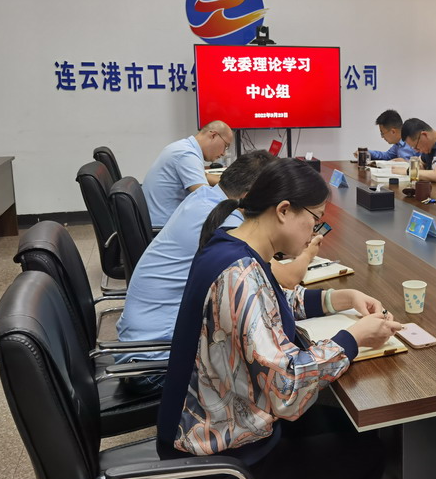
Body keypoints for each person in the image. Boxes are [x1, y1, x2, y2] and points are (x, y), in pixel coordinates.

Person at [157, 157, 402, 479]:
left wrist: (340, 298)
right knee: (368, 454)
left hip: (220, 429)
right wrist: (354, 338)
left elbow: (271, 301)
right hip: (221, 467)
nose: (316, 233)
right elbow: (286, 390)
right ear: (284, 210)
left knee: (349, 428)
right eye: (315, 220)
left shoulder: (231, 245)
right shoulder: (239, 275)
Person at [116, 151, 322, 390]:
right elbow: (287, 279)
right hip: (156, 361)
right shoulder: (228, 230)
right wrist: (308, 252)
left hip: (145, 346)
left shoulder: (204, 198)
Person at [143, 120, 234, 226]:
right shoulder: (186, 155)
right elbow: (206, 199)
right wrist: (237, 201)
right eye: (226, 146)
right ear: (213, 135)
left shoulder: (183, 147)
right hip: (164, 226)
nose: (224, 153)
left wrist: (232, 184)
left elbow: (203, 176)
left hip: (160, 220)